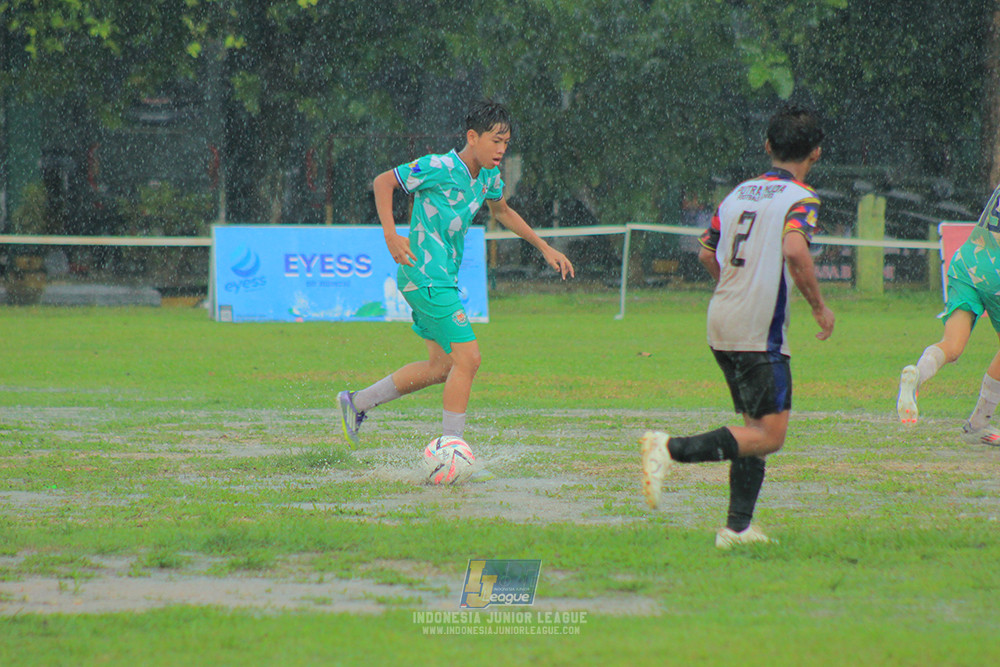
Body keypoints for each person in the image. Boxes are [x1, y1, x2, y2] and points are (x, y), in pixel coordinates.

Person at [639, 104, 835, 549]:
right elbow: (795, 250)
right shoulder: (801, 198)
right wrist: (819, 307)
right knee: (770, 435)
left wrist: (733, 286)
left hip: (721, 318)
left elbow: (706, 252)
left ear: (767, 146)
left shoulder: (738, 194)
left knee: (753, 432)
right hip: (757, 329)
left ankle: (737, 528)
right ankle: (668, 450)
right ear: (816, 152)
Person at [338, 100, 574, 449]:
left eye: (506, 143)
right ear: (472, 137)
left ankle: (356, 403)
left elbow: (502, 211)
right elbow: (383, 182)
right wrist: (391, 235)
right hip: (425, 275)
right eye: (496, 141)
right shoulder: (438, 166)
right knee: (469, 358)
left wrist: (544, 247)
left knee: (441, 367)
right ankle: (452, 450)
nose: (501, 149)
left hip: (440, 279)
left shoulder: (489, 176)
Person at [895, 184, 1000, 446]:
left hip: (967, 260)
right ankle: (978, 423)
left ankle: (916, 375)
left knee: (952, 345)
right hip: (995, 271)